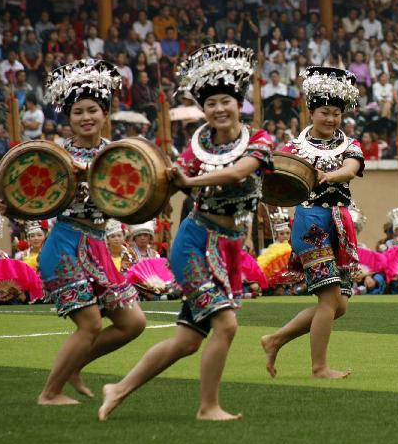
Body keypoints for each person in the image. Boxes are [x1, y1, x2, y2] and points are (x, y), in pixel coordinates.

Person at [99, 44, 272, 421]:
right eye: (211, 104)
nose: (219, 109)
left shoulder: (260, 140)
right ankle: (208, 407)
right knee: (225, 325)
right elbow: (167, 186)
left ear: (238, 103)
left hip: (228, 249)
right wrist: (138, 188)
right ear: (203, 109)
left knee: (187, 341)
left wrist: (190, 179)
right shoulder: (195, 149)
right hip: (194, 243)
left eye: (226, 100)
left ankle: (119, 388)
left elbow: (238, 173)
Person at [18, 59, 146, 406]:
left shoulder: (117, 153)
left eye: (93, 110)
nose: (86, 117)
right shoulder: (54, 154)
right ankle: (50, 392)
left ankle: (75, 365)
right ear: (68, 117)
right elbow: (29, 194)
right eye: (78, 112)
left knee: (133, 322)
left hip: (98, 245)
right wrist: (13, 205)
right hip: (64, 244)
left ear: (105, 113)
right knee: (89, 324)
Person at [260, 66, 364, 380]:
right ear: (311, 111)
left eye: (335, 113)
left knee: (339, 305)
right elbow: (275, 177)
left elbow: (350, 169)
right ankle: (319, 367)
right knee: (329, 299)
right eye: (324, 112)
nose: (330, 119)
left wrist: (328, 175)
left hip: (341, 223)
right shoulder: (292, 149)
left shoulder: (350, 145)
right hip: (312, 222)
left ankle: (275, 339)